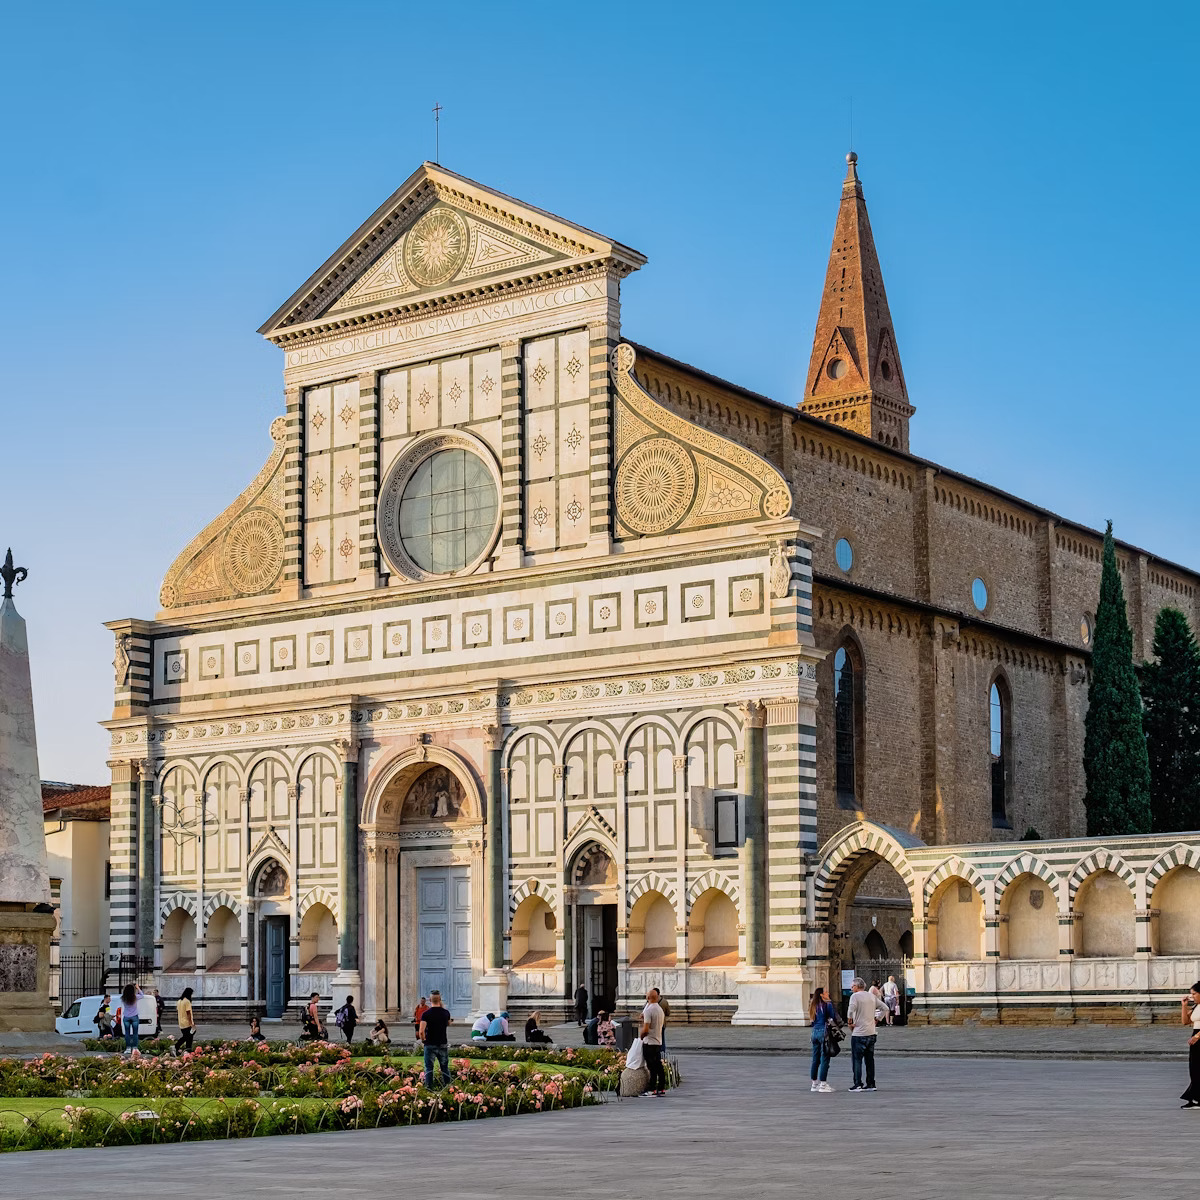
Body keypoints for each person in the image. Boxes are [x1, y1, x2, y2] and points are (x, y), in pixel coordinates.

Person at [846, 977, 888, 1092]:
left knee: (857, 1060)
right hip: (871, 1032)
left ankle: (857, 1084)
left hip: (859, 1033)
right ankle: (871, 1083)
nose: (851, 988)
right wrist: (877, 1019)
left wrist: (849, 1021)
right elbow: (885, 1008)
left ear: (856, 987)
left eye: (852, 986)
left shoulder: (855, 996)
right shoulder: (871, 996)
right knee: (869, 1060)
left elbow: (851, 1010)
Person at [808, 986, 841, 1092]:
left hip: (814, 1033)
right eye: (826, 992)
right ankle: (823, 1084)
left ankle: (814, 1083)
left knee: (815, 1059)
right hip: (824, 1032)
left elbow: (812, 1022)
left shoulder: (813, 1005)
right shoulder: (827, 1004)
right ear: (822, 995)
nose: (828, 993)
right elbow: (832, 1017)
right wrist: (830, 1002)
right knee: (825, 1058)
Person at [419, 990, 453, 1089]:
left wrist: (423, 1039)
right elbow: (448, 1023)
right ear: (440, 999)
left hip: (430, 1043)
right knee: (444, 1067)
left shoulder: (426, 1014)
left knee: (429, 1068)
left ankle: (429, 1087)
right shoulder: (446, 1013)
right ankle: (448, 1086)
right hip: (442, 1042)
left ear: (429, 1000)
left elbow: (421, 1031)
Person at [641, 987, 666, 1097]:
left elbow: (646, 1029)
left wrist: (641, 1036)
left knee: (651, 1067)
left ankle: (652, 1089)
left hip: (649, 1042)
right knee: (658, 1065)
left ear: (648, 997)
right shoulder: (660, 1010)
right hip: (658, 1041)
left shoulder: (648, 1010)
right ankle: (661, 1087)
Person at [1181, 982, 1200, 1108]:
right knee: (1194, 1068)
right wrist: (1184, 1006)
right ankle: (1195, 1097)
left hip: (1198, 1036)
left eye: (1194, 994)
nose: (1192, 996)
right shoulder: (1196, 1006)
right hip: (1195, 1037)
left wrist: (1198, 1036)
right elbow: (1185, 1022)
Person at [173, 986, 196, 1055]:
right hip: (187, 1022)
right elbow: (188, 1013)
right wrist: (191, 1023)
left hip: (181, 1022)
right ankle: (177, 1046)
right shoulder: (187, 1002)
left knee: (188, 1036)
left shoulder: (179, 1001)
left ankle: (188, 1049)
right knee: (187, 1036)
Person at [119, 983, 140, 1056]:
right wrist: (138, 988)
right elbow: (142, 995)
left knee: (127, 1033)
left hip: (126, 1016)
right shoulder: (135, 997)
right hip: (134, 1016)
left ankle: (128, 1048)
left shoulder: (123, 998)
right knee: (135, 1033)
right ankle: (135, 1047)